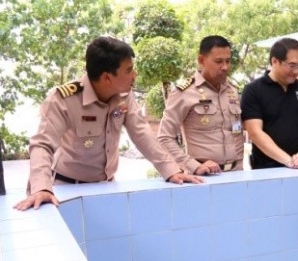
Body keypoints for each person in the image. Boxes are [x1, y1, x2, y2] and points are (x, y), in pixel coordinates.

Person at [14, 36, 201, 211]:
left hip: (106, 187)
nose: (134, 75)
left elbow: (142, 134)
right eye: (128, 70)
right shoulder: (64, 99)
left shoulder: (124, 96)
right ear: (106, 78)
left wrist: (171, 170)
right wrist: (41, 188)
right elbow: (42, 145)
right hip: (66, 189)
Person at [158, 35, 243, 174]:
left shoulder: (232, 91)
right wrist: (193, 166)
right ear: (201, 60)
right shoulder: (184, 93)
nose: (225, 67)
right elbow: (164, 138)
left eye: (228, 61)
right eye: (219, 61)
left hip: (236, 173)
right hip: (203, 177)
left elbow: (236, 132)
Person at [241, 38, 298, 170]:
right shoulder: (253, 90)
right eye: (292, 65)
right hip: (266, 169)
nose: (296, 71)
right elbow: (255, 132)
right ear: (274, 61)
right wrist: (289, 161)